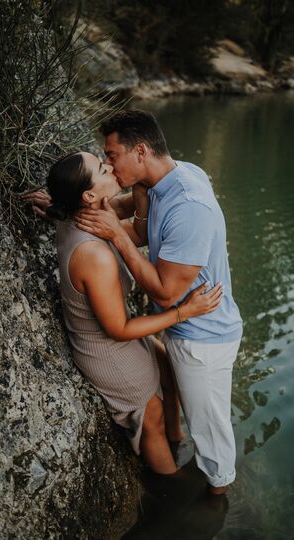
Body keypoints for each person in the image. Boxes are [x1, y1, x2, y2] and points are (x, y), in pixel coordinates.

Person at [21, 151, 222, 476]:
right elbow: (117, 329)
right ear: (88, 195)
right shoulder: (93, 254)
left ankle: (178, 442)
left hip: (121, 331)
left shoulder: (86, 214)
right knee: (151, 418)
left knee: (170, 371)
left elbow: (129, 206)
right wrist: (185, 311)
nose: (111, 166)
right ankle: (170, 487)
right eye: (102, 168)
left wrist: (57, 206)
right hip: (106, 346)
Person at [75, 109, 243, 495]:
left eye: (112, 156)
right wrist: (63, 205)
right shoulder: (161, 180)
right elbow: (136, 226)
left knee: (211, 431)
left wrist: (115, 237)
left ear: (140, 151)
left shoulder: (188, 207)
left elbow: (166, 293)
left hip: (202, 337)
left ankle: (216, 501)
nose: (110, 166)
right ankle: (176, 442)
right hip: (182, 327)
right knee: (188, 408)